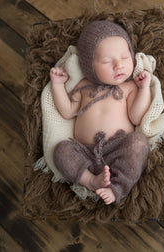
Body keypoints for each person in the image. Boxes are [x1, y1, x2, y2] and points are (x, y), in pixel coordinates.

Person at [50, 20, 152, 205]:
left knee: (139, 143)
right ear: (89, 65)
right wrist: (57, 86)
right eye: (107, 61)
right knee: (61, 150)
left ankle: (117, 188)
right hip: (84, 153)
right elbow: (67, 112)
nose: (119, 65)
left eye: (124, 57)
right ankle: (90, 180)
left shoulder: (128, 87)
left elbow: (137, 117)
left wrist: (144, 88)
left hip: (119, 149)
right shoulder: (83, 87)